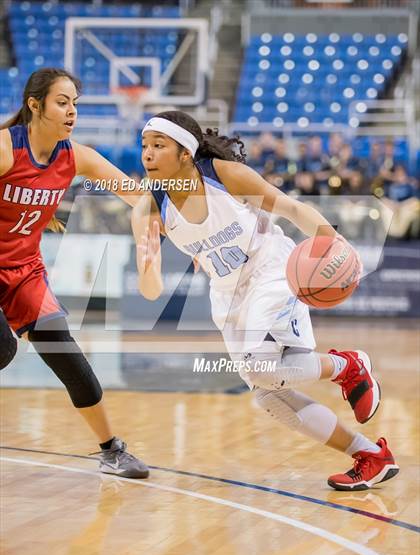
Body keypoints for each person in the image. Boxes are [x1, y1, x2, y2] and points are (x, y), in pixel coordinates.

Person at [131, 110, 400, 490]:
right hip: (227, 292)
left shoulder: (223, 175)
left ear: (186, 153)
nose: (147, 154)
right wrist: (147, 265)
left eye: (159, 146)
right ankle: (371, 456)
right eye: (144, 146)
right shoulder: (148, 208)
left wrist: (334, 241)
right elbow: (150, 289)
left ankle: (348, 366)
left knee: (261, 368)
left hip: (270, 268)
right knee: (268, 396)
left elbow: (289, 208)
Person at [0, 67, 148, 478]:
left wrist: (188, 228)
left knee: (65, 352)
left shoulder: (74, 155)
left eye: (74, 105)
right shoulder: (5, 149)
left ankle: (112, 450)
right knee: (3, 349)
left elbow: (136, 195)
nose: (71, 112)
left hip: (23, 270)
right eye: (62, 102)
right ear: (34, 105)